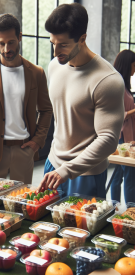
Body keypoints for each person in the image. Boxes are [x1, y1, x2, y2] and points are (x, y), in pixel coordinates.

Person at [38, 3, 124, 198]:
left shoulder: (108, 80)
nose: (55, 51)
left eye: (63, 45)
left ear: (82, 39)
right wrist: (56, 165)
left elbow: (108, 140)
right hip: (53, 163)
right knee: (46, 226)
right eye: (53, 43)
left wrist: (67, 170)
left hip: (86, 172)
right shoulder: (55, 66)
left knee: (79, 229)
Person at [0, 13, 52, 184]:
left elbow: (46, 110)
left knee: (21, 204)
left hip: (24, 149)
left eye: (11, 42)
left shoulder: (36, 72)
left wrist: (38, 140)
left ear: (19, 37)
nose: (7, 49)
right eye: (1, 43)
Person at [110, 50, 135, 203]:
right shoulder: (117, 85)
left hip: (125, 137)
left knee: (117, 176)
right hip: (122, 138)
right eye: (134, 66)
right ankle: (131, 212)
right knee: (129, 177)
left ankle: (115, 209)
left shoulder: (123, 84)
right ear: (127, 65)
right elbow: (117, 115)